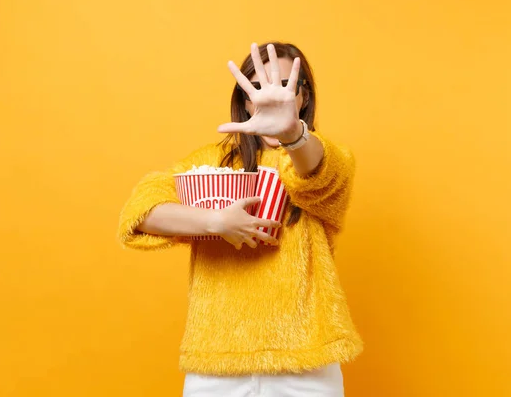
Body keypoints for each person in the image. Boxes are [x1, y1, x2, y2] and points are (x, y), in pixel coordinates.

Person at [118, 42, 363, 396]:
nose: (272, 97)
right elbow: (140, 213)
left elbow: (320, 172)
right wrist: (216, 222)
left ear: (303, 99)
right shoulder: (208, 164)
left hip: (307, 363)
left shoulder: (325, 158)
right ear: (246, 100)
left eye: (285, 87)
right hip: (217, 364)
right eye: (260, 87)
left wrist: (292, 135)